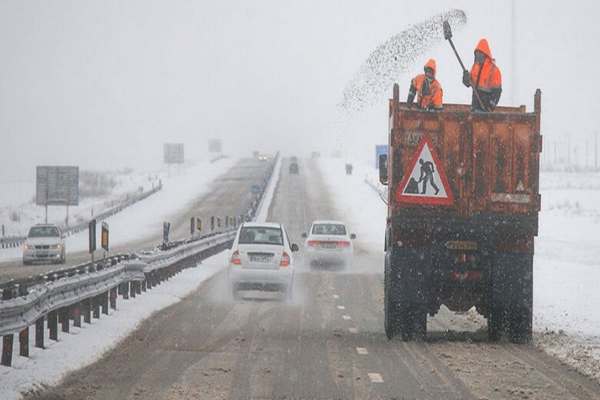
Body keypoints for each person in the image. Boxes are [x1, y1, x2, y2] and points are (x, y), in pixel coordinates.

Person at [463, 38, 502, 111]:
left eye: (479, 54)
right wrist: (466, 78)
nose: (477, 56)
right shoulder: (475, 67)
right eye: (476, 54)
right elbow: (469, 83)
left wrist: (490, 106)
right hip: (475, 107)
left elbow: (497, 92)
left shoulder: (493, 70)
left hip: (485, 111)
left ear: (485, 54)